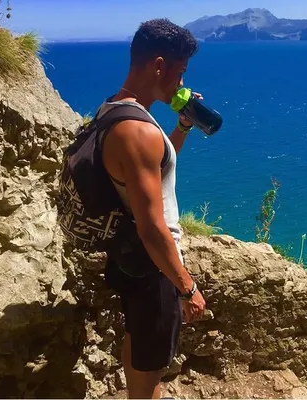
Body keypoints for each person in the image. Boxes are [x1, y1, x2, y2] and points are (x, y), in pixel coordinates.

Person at [98, 18, 206, 399]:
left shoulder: (113, 110)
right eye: (180, 72)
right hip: (153, 266)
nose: (181, 83)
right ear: (159, 66)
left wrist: (183, 126)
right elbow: (152, 228)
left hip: (129, 260)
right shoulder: (140, 132)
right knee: (152, 376)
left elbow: (153, 167)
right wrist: (187, 287)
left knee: (137, 345)